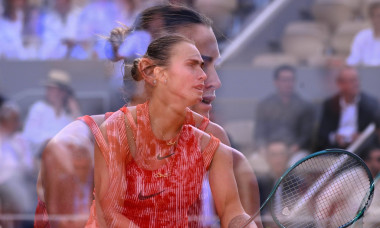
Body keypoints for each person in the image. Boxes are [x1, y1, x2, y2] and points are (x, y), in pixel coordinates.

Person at [35, 5, 262, 228]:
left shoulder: (221, 150)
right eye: (195, 64)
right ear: (152, 72)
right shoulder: (73, 151)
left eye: (211, 65)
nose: (212, 80)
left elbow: (237, 216)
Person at [84, 34, 256, 228]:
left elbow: (232, 211)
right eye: (192, 65)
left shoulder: (211, 142)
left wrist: (244, 224)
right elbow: (109, 214)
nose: (203, 75)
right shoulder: (117, 129)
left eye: (201, 66)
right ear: (157, 73)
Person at [317, 66, 380, 152]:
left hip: (362, 151)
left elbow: (375, 132)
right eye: (351, 81)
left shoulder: (370, 105)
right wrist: (335, 137)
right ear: (340, 84)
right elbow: (322, 133)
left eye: (356, 80)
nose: (356, 84)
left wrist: (361, 137)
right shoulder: (330, 104)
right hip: (335, 150)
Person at [254, 65, 314, 152]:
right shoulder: (265, 105)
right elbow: (259, 133)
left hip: (294, 150)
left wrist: (294, 149)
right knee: (255, 160)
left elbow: (306, 135)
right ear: (276, 82)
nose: (288, 84)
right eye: (284, 80)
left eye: (291, 80)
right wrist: (263, 149)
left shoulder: (305, 105)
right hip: (269, 150)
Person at [23, 69, 81, 157]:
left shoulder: (68, 113)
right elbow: (30, 134)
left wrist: (75, 111)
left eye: (53, 89)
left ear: (63, 92)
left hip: (66, 155)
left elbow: (79, 134)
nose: (49, 92)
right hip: (43, 155)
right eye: (48, 89)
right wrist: (51, 140)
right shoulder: (38, 108)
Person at [346, 1, 380, 66]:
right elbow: (354, 60)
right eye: (378, 16)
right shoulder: (362, 37)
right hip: (364, 74)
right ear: (372, 18)